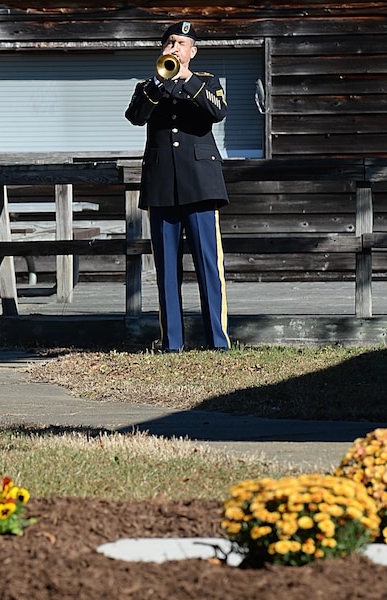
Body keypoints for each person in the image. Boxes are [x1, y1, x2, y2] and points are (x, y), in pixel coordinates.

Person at [125, 21, 230, 352]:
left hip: (201, 185)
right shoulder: (149, 85)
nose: (174, 48)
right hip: (161, 187)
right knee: (166, 270)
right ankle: (172, 343)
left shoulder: (207, 82)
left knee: (208, 267)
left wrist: (186, 78)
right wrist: (160, 81)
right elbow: (135, 116)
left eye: (181, 43)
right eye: (170, 42)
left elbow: (217, 111)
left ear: (192, 51)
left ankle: (218, 342)